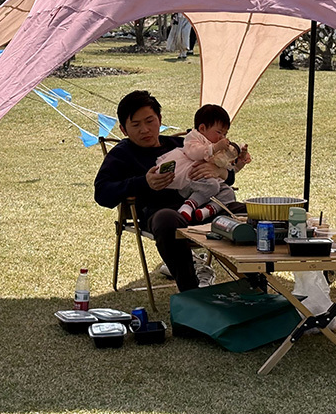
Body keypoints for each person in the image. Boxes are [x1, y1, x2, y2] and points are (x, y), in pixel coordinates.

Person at [94, 90, 252, 291]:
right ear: (124, 129)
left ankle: (256, 284)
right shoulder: (123, 154)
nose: (145, 129)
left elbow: (228, 178)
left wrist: (219, 171)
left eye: (150, 121)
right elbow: (102, 193)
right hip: (165, 214)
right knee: (167, 219)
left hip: (208, 209)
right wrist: (144, 182)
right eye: (136, 125)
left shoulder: (182, 144)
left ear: (160, 120)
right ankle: (191, 291)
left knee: (253, 212)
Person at [155, 104, 244, 222]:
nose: (222, 137)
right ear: (202, 128)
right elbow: (195, 153)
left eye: (225, 134)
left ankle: (207, 211)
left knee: (229, 193)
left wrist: (239, 163)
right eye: (219, 132)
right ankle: (188, 206)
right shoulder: (194, 138)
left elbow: (225, 166)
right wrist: (214, 148)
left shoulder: (215, 145)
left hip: (208, 183)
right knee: (213, 185)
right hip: (189, 180)